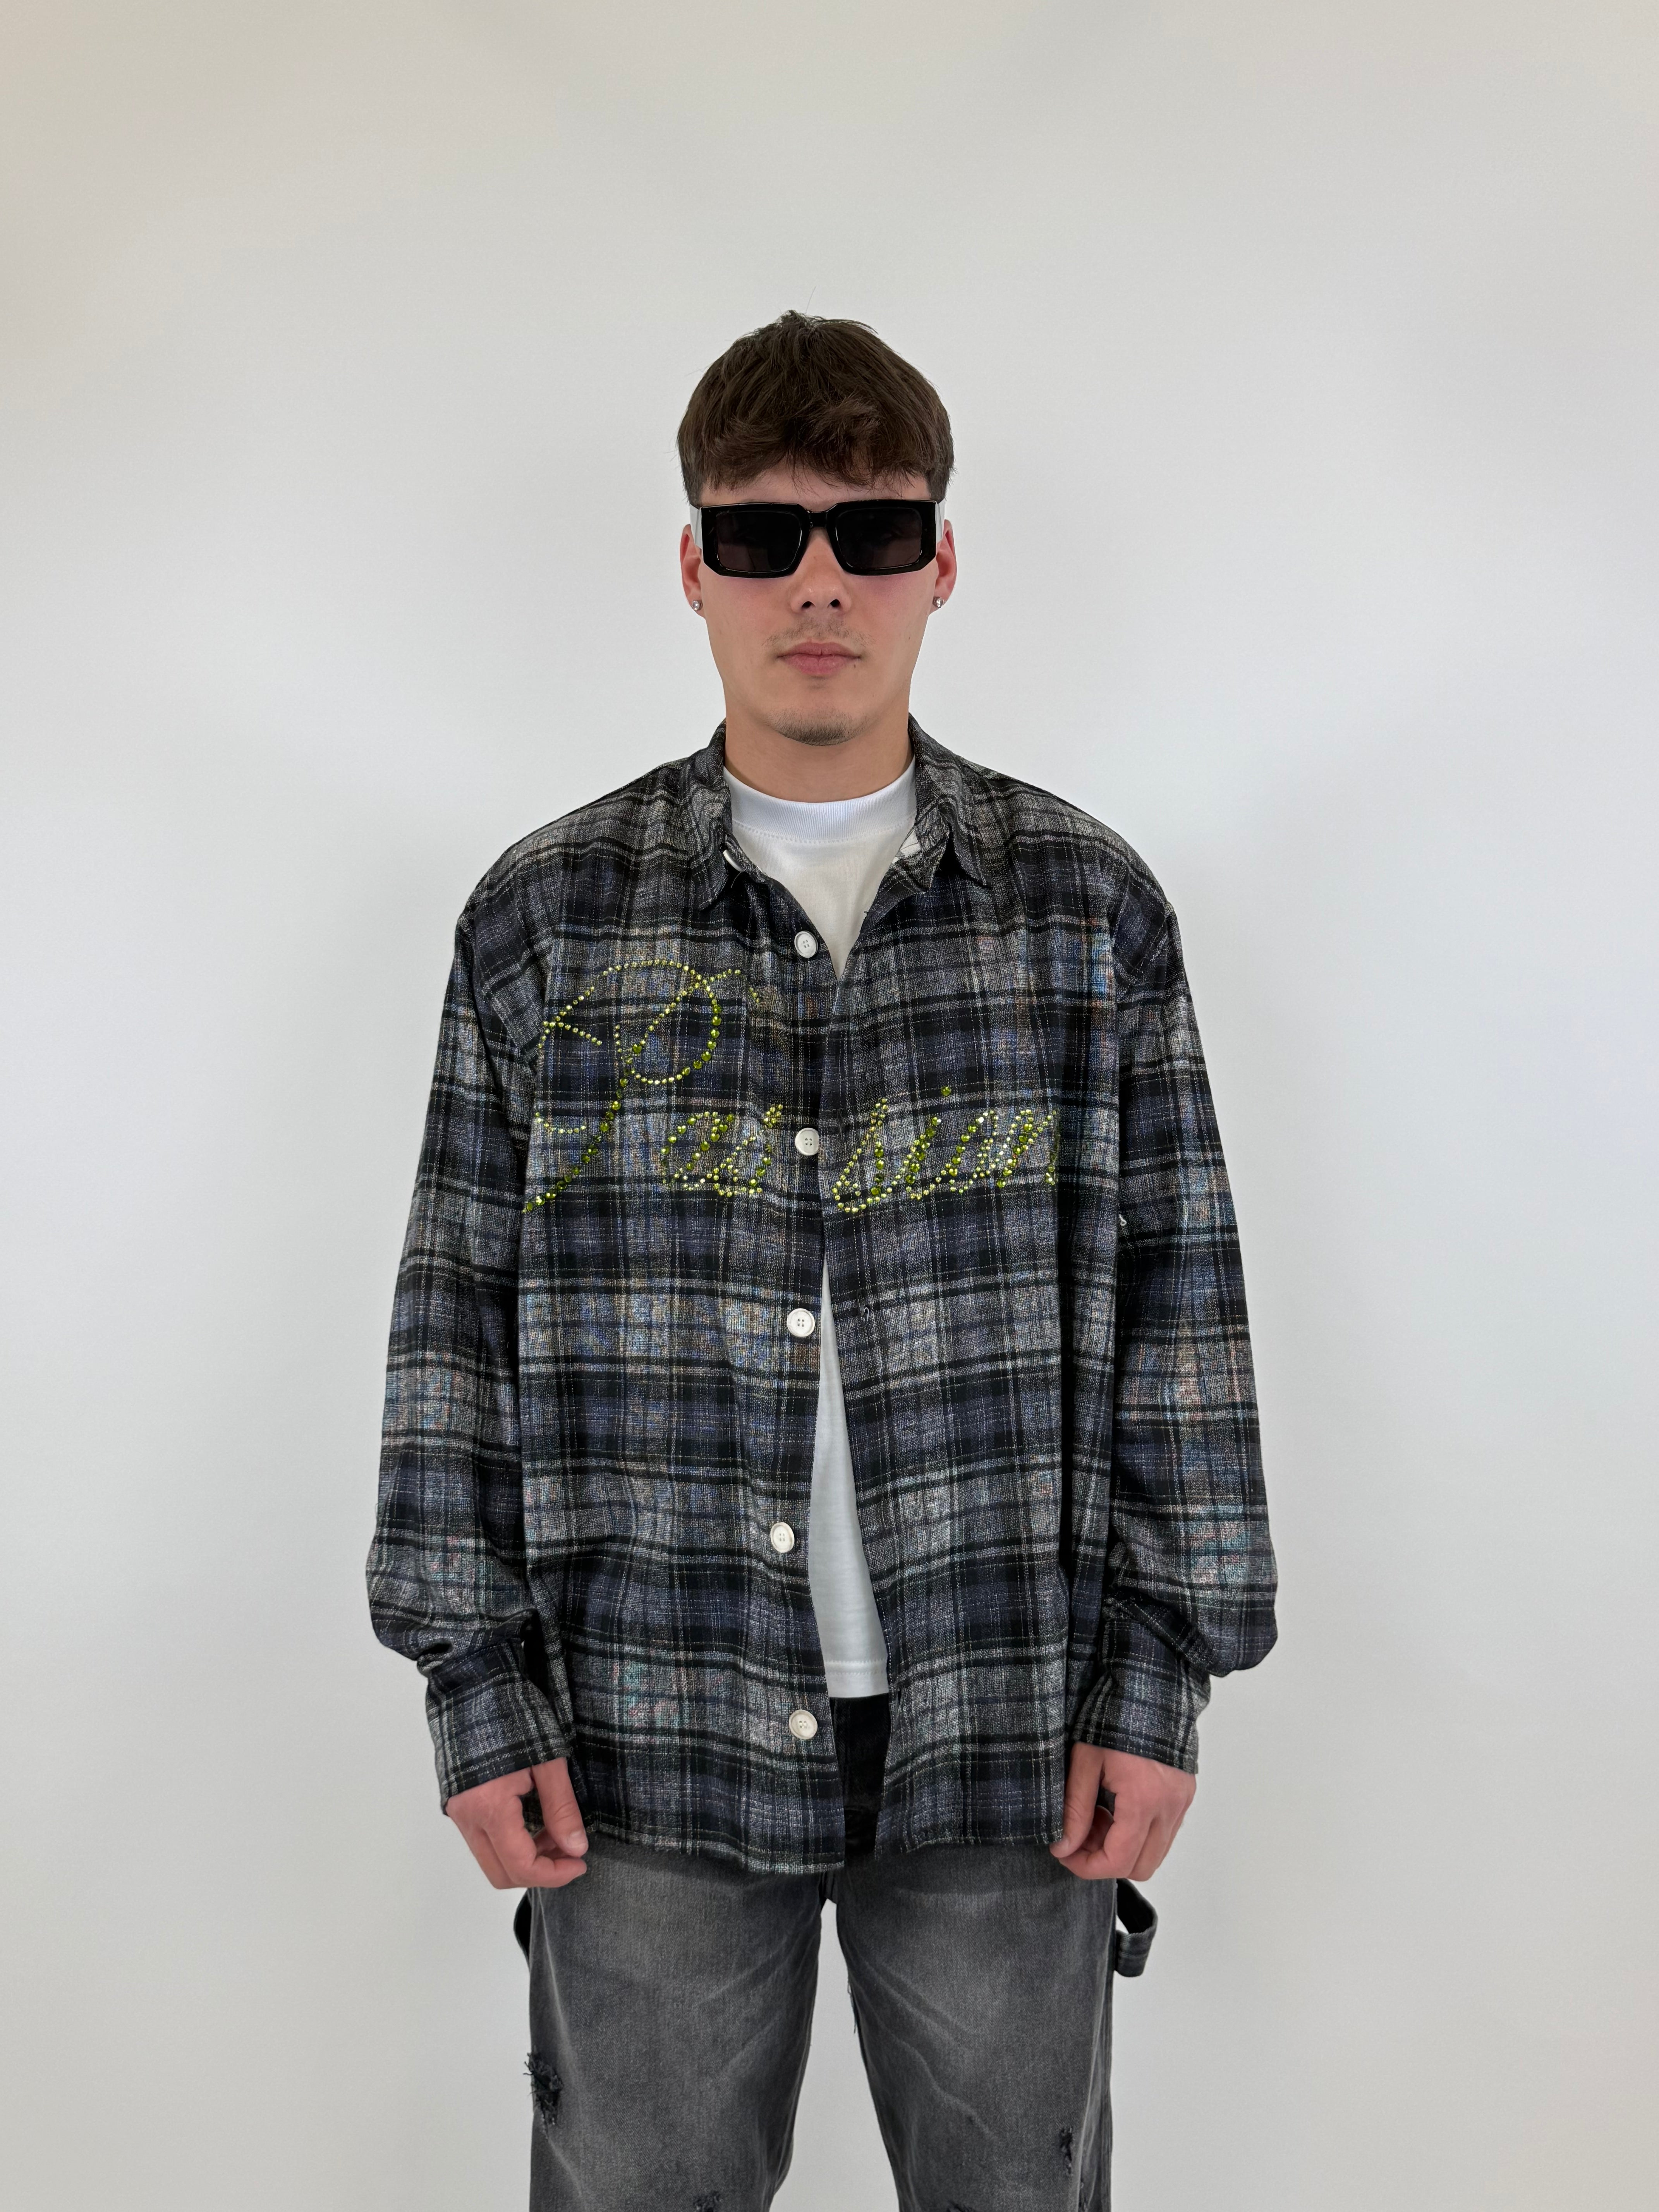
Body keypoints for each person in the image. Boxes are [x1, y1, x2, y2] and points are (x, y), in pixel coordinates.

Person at [368, 310, 1277, 2211]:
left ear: (939, 562)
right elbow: (453, 1318)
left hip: (1011, 1726)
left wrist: (1161, 1677)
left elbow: (1181, 1303)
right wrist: (474, 1683)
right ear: (692, 562)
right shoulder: (546, 921)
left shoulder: (1085, 913)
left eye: (871, 532)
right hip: (646, 1730)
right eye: (763, 533)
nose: (818, 584)